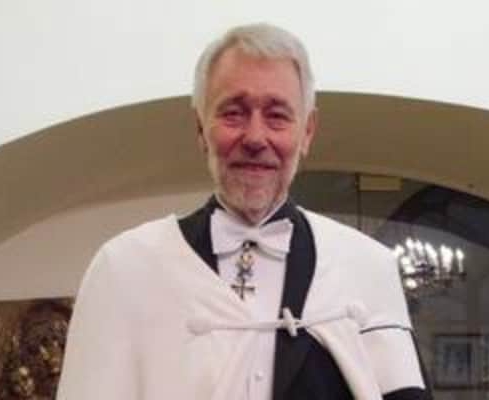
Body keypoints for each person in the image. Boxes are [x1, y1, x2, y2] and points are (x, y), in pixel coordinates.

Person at [56, 23, 431, 400]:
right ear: (200, 128)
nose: (255, 137)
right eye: (233, 113)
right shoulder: (124, 270)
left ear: (307, 132)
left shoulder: (367, 268)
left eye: (277, 115)